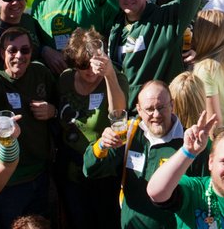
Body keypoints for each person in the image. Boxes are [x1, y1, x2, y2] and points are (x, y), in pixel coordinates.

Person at [0, 24, 58, 229]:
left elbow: (60, 101)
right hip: (7, 183)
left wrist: (53, 110)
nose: (18, 56)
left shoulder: (40, 72)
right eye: (12, 50)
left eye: (25, 50)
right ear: (1, 53)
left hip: (40, 175)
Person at [84, 80, 208, 229]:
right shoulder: (129, 133)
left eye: (161, 107)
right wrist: (102, 144)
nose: (156, 115)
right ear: (139, 110)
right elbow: (90, 169)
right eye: (149, 109)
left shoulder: (190, 143)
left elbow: (204, 197)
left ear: (172, 105)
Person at [55, 28, 128, 227]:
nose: (89, 71)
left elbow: (118, 117)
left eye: (93, 63)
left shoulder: (115, 79)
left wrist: (110, 75)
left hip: (102, 168)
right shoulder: (66, 79)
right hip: (71, 168)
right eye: (82, 65)